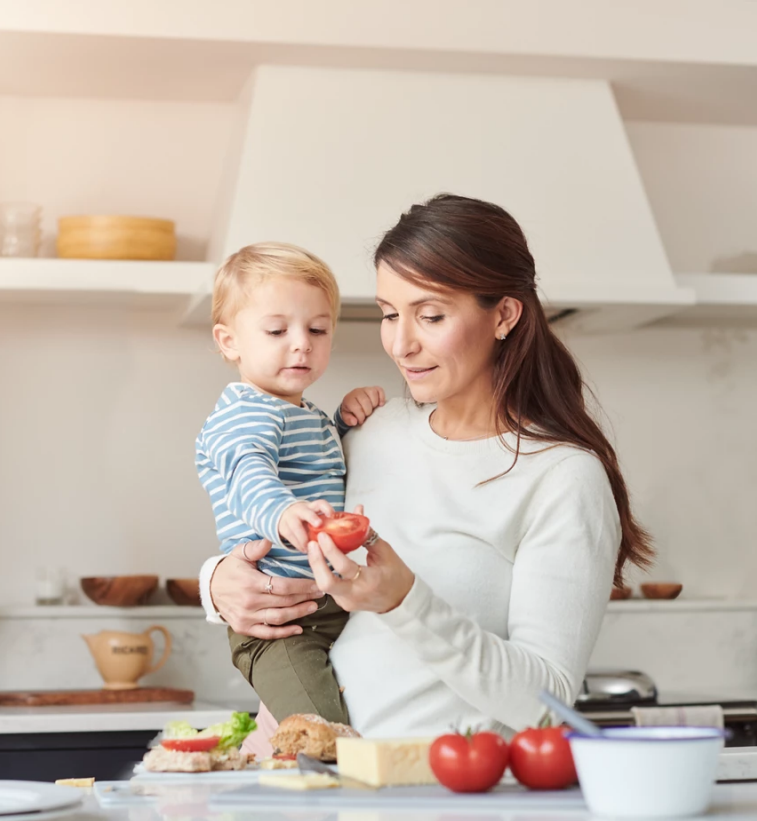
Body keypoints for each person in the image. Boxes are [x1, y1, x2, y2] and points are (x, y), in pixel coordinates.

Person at [198, 195, 654, 750]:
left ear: (504, 315)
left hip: (442, 812)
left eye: (431, 316)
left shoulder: (562, 478)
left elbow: (547, 706)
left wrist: (404, 600)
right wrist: (218, 583)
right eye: (390, 314)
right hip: (306, 793)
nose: (400, 342)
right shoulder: (369, 432)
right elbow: (263, 510)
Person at [194, 242, 385, 724]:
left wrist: (343, 422)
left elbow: (324, 467)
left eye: (318, 329)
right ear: (228, 341)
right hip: (279, 623)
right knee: (321, 734)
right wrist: (280, 513)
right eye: (278, 330)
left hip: (331, 603)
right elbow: (247, 470)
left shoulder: (303, 413)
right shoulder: (245, 412)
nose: (301, 342)